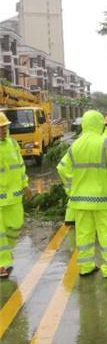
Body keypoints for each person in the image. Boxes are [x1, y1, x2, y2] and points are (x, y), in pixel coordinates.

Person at [57, 109, 107, 278]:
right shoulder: (106, 143)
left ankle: (86, 267)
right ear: (99, 124)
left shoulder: (75, 145)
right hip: (104, 199)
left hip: (80, 201)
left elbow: (61, 168)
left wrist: (70, 189)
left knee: (83, 235)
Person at [0, 112, 31, 279]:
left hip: (14, 196)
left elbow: (20, 166)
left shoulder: (12, 144)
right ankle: (2, 263)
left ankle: (6, 253)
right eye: (0, 128)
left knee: (15, 227)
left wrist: (25, 185)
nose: (3, 131)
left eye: (4, 127)